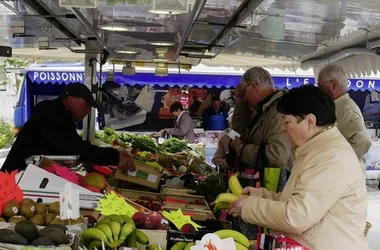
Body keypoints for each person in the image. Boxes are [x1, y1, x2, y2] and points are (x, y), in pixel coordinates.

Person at [229, 86, 368, 250]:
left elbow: (297, 217)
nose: (283, 128)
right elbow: (297, 199)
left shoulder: (331, 157)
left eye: (287, 121)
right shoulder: (316, 150)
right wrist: (260, 196)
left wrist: (249, 206)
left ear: (310, 121)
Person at [2, 83, 136, 173]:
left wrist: (114, 153)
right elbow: (76, 148)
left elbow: (74, 147)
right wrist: (114, 157)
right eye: (86, 106)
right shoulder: (52, 117)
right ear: (71, 101)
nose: (88, 111)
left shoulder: (58, 115)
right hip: (15, 179)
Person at [231, 67, 292, 186]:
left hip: (276, 186)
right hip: (267, 184)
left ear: (254, 86)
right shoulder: (266, 109)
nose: (245, 96)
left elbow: (277, 155)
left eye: (244, 91)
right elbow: (242, 134)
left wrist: (241, 149)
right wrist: (241, 104)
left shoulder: (277, 112)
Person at [318, 64, 371, 176]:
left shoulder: (347, 109)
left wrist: (337, 162)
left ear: (333, 85)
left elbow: (363, 141)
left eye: (320, 86)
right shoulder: (338, 107)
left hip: (345, 178)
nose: (319, 91)